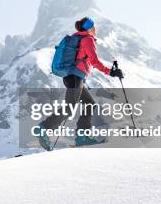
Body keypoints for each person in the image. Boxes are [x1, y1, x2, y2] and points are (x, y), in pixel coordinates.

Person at [37, 16, 123, 149]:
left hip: (75, 77)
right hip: (75, 78)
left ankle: (82, 136)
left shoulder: (78, 38)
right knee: (70, 106)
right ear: (90, 28)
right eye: (94, 26)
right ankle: (44, 128)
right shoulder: (87, 39)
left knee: (89, 103)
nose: (96, 29)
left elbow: (86, 61)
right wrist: (111, 72)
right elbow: (94, 61)